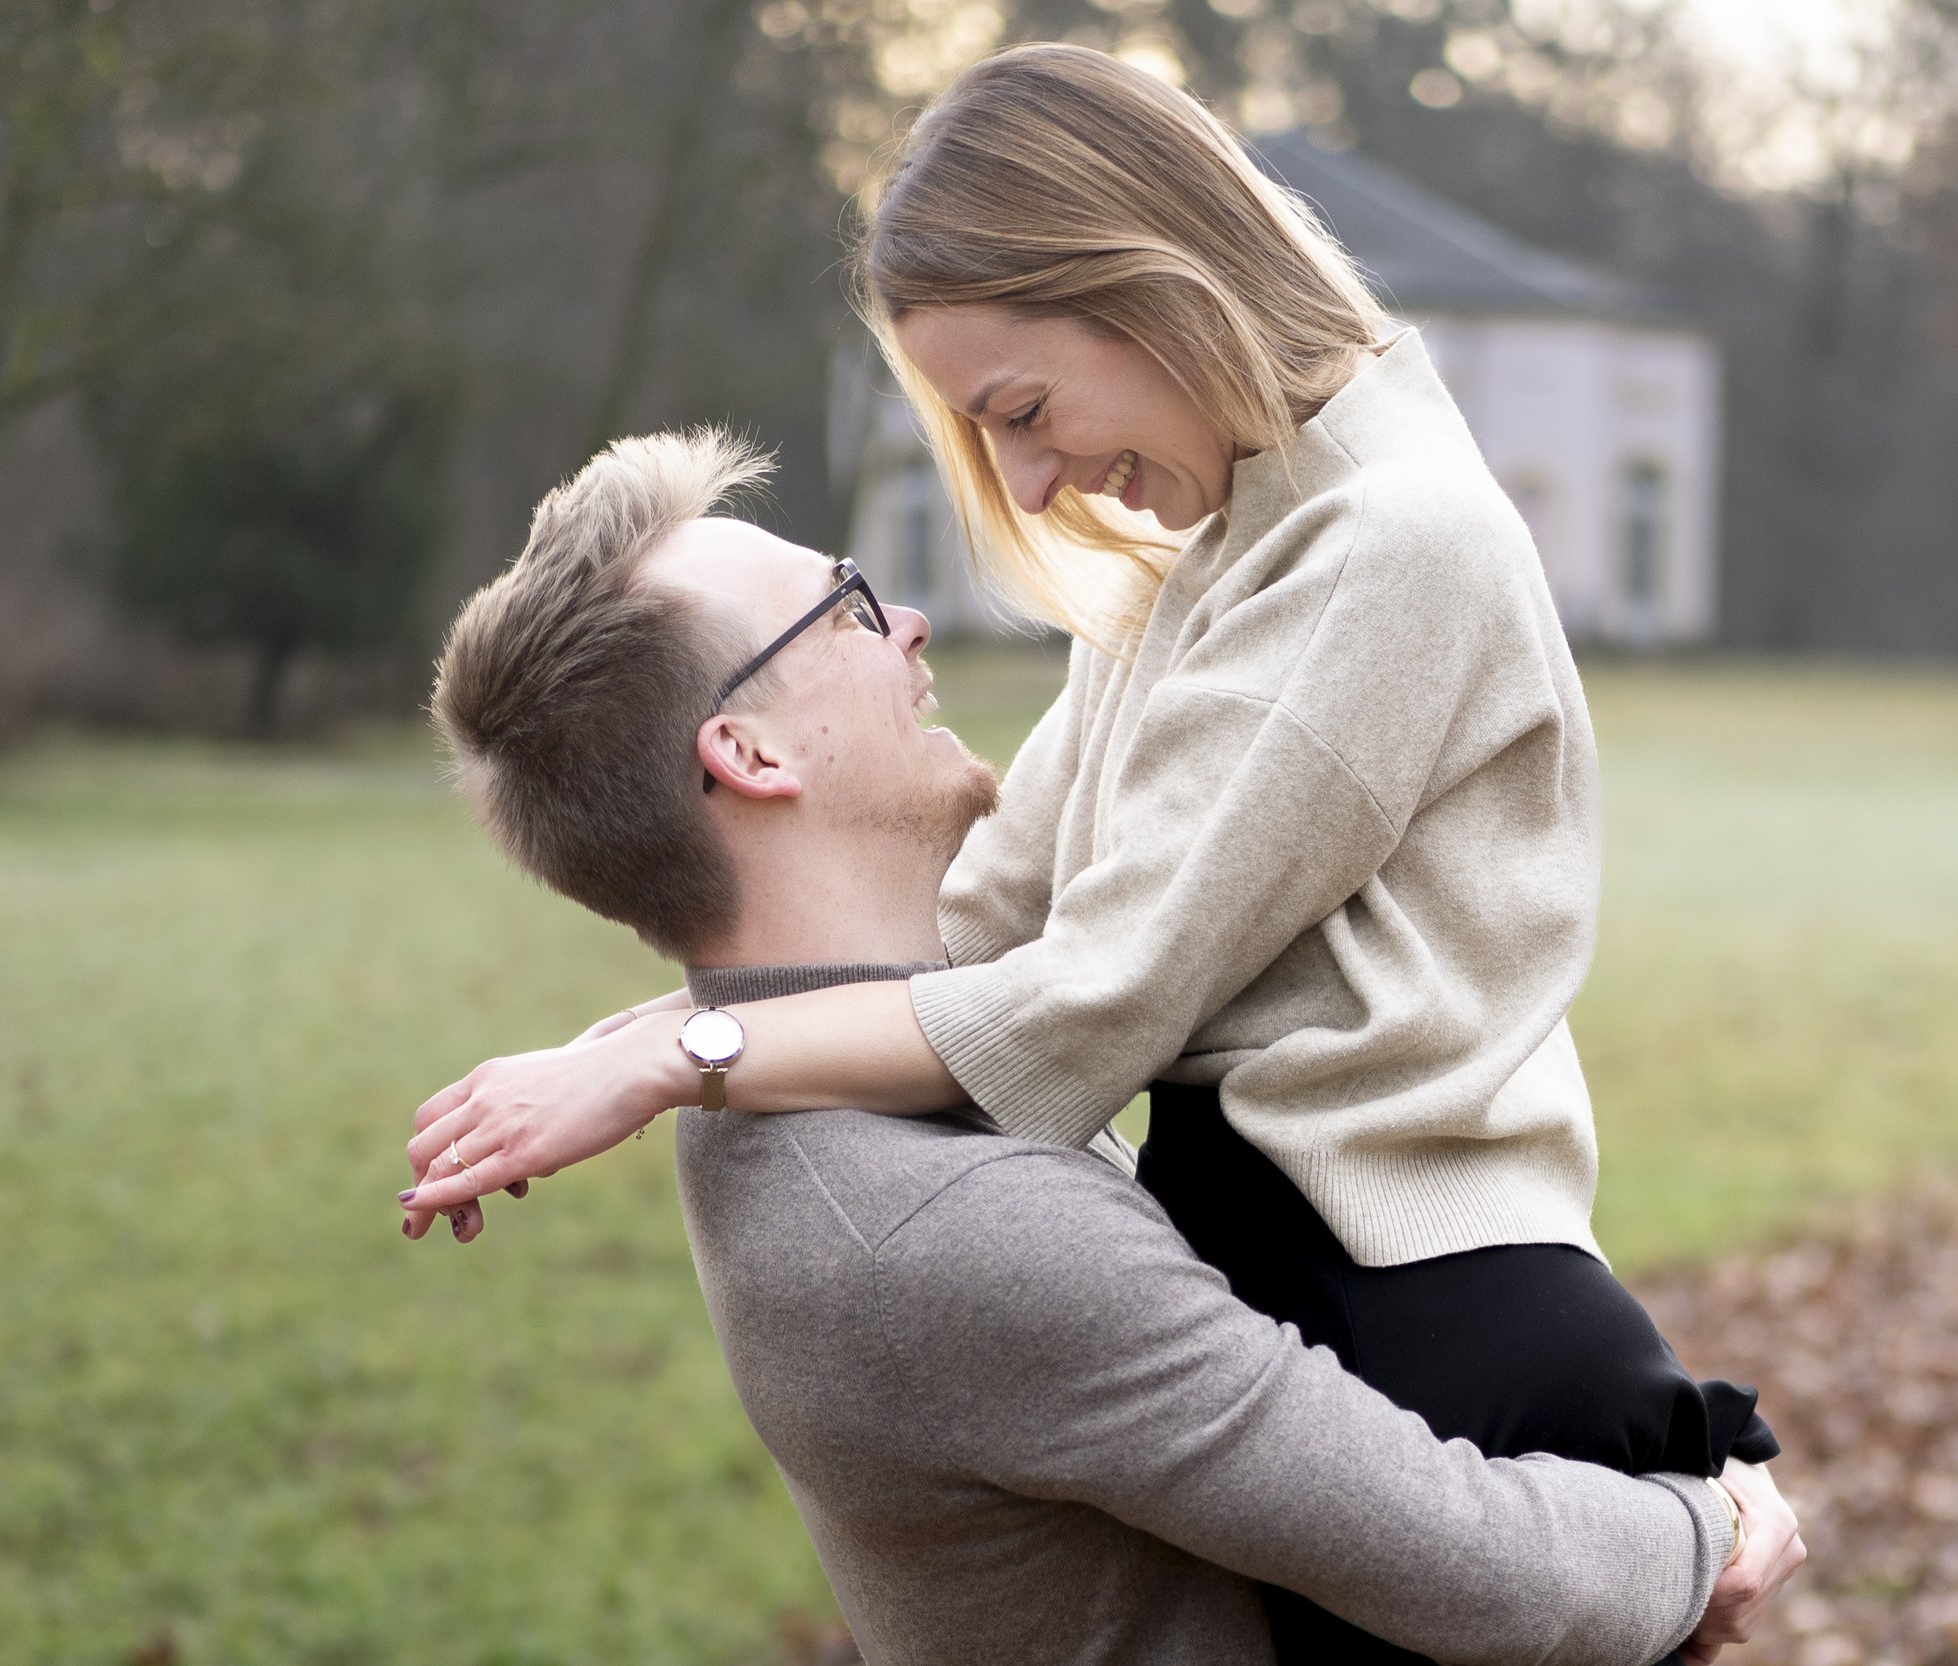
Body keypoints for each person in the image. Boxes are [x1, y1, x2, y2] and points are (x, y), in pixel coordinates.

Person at [400, 44, 1785, 1661]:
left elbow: (1083, 1004)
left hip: (1419, 1295)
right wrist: (642, 1040)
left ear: (1150, 285)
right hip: (1291, 1257)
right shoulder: (1209, 561)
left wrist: (678, 1053)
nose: (1032, 484)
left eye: (1025, 411)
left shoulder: (1393, 543)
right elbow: (979, 931)